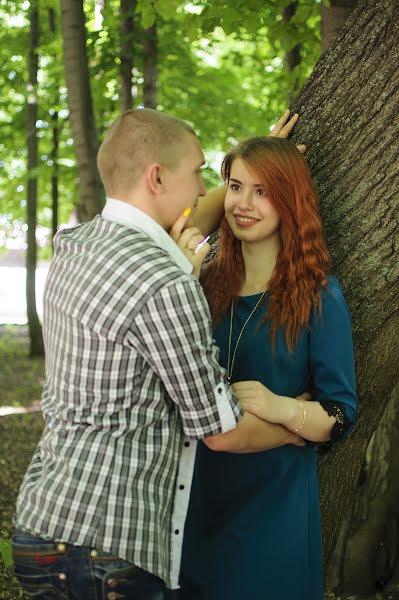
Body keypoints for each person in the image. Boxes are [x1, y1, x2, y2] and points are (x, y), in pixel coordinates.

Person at [11, 109, 303, 600]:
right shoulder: (165, 284)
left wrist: (259, 167)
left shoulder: (75, 246)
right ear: (158, 176)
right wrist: (305, 423)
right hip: (105, 547)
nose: (203, 187)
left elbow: (167, 225)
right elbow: (221, 431)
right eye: (199, 172)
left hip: (42, 527)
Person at [179, 136, 358, 600]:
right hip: (193, 502)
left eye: (264, 191)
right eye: (236, 187)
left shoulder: (319, 294)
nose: (244, 204)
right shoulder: (202, 281)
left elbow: (341, 413)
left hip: (272, 512)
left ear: (290, 201)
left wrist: (284, 410)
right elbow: (169, 226)